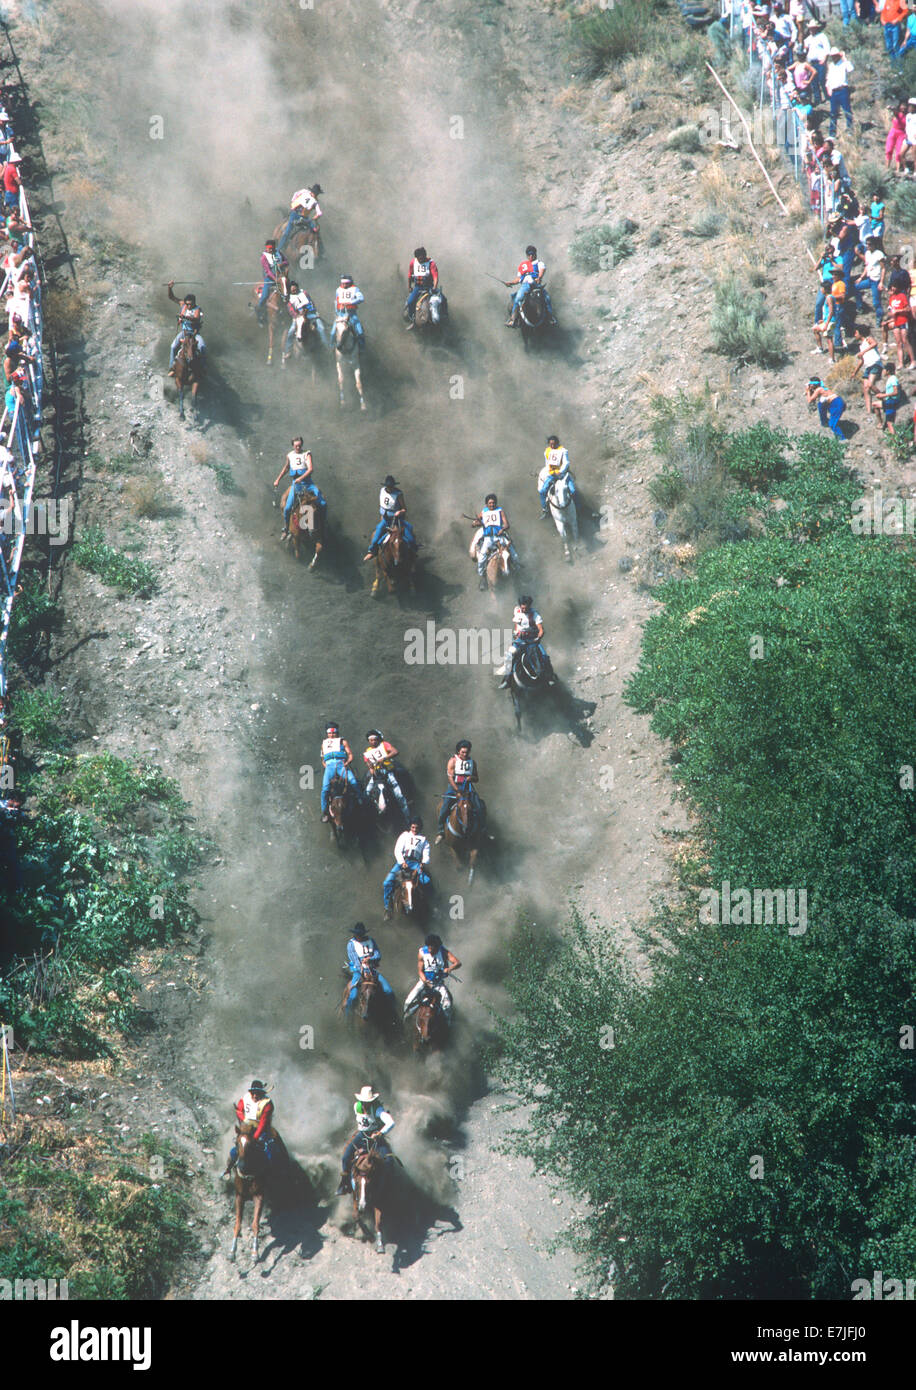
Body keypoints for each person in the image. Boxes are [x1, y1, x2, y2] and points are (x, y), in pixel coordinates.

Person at [335, 1086, 395, 1196]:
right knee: (345, 1157)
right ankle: (345, 1184)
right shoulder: (356, 1107)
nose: (365, 1104)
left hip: (375, 1137)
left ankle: (388, 1188)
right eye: (363, 1102)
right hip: (361, 1135)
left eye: (368, 1102)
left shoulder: (377, 1109)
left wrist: (380, 1133)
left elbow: (391, 1122)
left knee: (389, 1161)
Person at [499, 595, 557, 688]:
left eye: (525, 608)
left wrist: (538, 637)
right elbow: (517, 625)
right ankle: (507, 680)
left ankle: (549, 677)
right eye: (522, 607)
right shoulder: (517, 611)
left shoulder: (535, 615)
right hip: (520, 641)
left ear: (529, 606)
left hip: (532, 641)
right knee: (509, 656)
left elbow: (541, 629)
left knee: (544, 656)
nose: (523, 610)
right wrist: (517, 633)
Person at [273, 437, 326, 539]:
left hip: (308, 483)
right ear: (293, 445)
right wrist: (278, 479)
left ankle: (322, 527)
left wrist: (301, 478)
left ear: (302, 445)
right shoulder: (290, 455)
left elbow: (310, 469)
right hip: (296, 485)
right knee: (287, 508)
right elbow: (286, 468)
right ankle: (286, 529)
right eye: (296, 445)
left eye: (300, 445)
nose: (298, 447)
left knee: (323, 504)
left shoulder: (306, 454)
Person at [436, 739, 487, 841]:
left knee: (479, 805)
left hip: (468, 787)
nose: (465, 754)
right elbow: (450, 778)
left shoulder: (472, 763)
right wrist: (457, 790)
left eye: (467, 752)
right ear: (458, 751)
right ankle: (441, 831)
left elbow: (476, 778)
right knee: (445, 806)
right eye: (463, 752)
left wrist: (471, 778)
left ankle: (483, 830)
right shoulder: (453, 761)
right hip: (454, 787)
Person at [222, 1079, 276, 1176]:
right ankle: (228, 1170)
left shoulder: (267, 1104)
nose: (255, 1095)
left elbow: (263, 1123)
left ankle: (273, 1174)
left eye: (258, 1093)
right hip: (246, 1129)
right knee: (236, 1150)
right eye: (253, 1093)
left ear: (261, 1093)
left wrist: (255, 1138)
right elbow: (239, 1110)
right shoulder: (245, 1099)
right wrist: (244, 1119)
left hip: (261, 1130)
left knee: (269, 1151)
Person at [403, 933, 461, 1022]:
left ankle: (448, 1023)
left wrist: (449, 969)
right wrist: (425, 981)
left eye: (432, 948)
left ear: (437, 947)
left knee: (447, 1004)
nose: (429, 950)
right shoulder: (422, 952)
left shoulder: (443, 952)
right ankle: (404, 1019)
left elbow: (457, 963)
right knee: (408, 1000)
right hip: (424, 982)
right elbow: (420, 971)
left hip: (438, 983)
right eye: (428, 947)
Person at [383, 816, 431, 919]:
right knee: (387, 882)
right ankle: (388, 908)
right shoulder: (404, 835)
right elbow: (397, 850)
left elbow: (426, 854)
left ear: (420, 828)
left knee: (427, 881)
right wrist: (402, 862)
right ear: (410, 827)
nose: (414, 830)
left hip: (416, 864)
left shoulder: (424, 840)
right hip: (403, 862)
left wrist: (423, 863)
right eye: (413, 827)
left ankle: (431, 906)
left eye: (417, 828)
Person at [342, 922, 395, 1014]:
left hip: (373, 970)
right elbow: (354, 960)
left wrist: (370, 959)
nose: (360, 936)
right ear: (355, 934)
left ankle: (391, 1013)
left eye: (361, 934)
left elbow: (378, 955)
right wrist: (362, 971)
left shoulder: (371, 941)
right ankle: (348, 1014)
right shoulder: (351, 944)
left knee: (388, 991)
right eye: (358, 934)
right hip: (358, 972)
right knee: (353, 995)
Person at [471, 493, 519, 589]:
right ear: (486, 504)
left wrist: (503, 529)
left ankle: (518, 574)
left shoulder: (500, 510)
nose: (492, 505)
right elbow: (476, 521)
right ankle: (483, 578)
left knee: (514, 555)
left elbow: (507, 524)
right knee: (481, 559)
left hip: (500, 537)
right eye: (490, 503)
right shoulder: (483, 511)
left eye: (493, 503)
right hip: (488, 539)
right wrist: (475, 523)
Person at [363, 475, 416, 559]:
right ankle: (372, 551)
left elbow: (404, 509)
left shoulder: (398, 494)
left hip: (397, 520)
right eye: (388, 486)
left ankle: (413, 553)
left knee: (410, 537)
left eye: (391, 486)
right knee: (377, 534)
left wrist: (400, 512)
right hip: (385, 519)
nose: (390, 488)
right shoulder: (382, 491)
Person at [362, 729, 410, 822]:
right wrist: (371, 770)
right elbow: (368, 764)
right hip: (376, 774)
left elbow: (395, 751)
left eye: (375, 739)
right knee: (367, 792)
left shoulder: (384, 745)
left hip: (388, 772)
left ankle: (407, 817)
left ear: (378, 739)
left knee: (399, 795)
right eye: (371, 740)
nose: (373, 742)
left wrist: (384, 758)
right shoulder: (367, 751)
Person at [505, 244, 557, 328]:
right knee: (518, 297)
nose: (531, 256)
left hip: (535, 284)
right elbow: (518, 279)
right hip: (525, 285)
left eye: (533, 254)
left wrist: (539, 277)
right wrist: (510, 283)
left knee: (547, 298)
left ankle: (550, 317)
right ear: (527, 255)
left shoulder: (539, 263)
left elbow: (542, 271)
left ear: (536, 254)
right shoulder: (523, 265)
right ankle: (513, 319)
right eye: (529, 254)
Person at [320, 721, 362, 822]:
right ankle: (325, 812)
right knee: (325, 789)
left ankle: (361, 799)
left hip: (341, 765)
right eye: (330, 733)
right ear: (327, 733)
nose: (332, 735)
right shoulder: (323, 744)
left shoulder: (343, 742)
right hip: (329, 767)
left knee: (353, 781)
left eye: (333, 733)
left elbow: (350, 755)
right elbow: (323, 760)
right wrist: (326, 766)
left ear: (337, 733)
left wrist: (347, 762)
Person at [282, 280, 328, 358]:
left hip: (312, 315)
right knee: (290, 332)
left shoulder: (304, 293)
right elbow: (291, 310)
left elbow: (311, 302)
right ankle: (288, 351)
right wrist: (297, 315)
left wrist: (313, 311)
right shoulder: (289, 299)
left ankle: (326, 347)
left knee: (321, 328)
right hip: (299, 318)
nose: (294, 290)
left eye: (295, 289)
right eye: (292, 290)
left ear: (297, 287)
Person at [166, 282, 205, 371]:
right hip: (184, 332)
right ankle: (171, 367)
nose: (188, 306)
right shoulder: (183, 305)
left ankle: (202, 369)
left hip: (194, 334)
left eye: (190, 304)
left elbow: (196, 318)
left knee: (202, 347)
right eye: (187, 304)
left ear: (194, 303)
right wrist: (169, 288)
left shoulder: (197, 309)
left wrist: (185, 317)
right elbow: (171, 297)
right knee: (173, 347)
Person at [276, 182, 323, 254]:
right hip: (295, 214)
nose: (315, 194)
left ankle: (321, 252)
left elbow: (319, 213)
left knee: (316, 231)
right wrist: (293, 202)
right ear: (312, 191)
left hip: (304, 218)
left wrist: (314, 218)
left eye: (317, 194)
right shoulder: (304, 192)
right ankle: (278, 250)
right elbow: (296, 194)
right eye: (315, 193)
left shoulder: (315, 201)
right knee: (287, 232)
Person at [538, 435, 577, 518]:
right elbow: (547, 463)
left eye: (554, 444)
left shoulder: (563, 451)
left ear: (557, 443)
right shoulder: (547, 451)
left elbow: (566, 463)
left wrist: (560, 471)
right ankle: (545, 509)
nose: (552, 446)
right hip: (552, 475)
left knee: (573, 490)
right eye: (550, 444)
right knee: (542, 491)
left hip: (563, 475)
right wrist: (551, 472)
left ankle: (580, 508)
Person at [404, 246, 440, 328]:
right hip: (418, 287)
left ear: (425, 256)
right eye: (419, 258)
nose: (420, 260)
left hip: (429, 287)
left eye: (422, 258)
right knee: (410, 302)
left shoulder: (431, 263)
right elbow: (410, 275)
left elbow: (435, 276)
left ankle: (444, 316)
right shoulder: (413, 262)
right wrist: (409, 286)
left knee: (440, 300)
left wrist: (434, 286)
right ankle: (412, 319)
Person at [883, 282, 916, 370]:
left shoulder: (902, 296)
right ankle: (901, 363)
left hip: (903, 320)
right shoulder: (892, 298)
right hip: (896, 322)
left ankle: (913, 361)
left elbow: (908, 308)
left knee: (905, 340)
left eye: (894, 287)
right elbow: (890, 310)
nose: (893, 289)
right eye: (892, 287)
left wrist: (898, 311)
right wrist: (890, 314)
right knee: (898, 343)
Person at [851, 328, 884, 415]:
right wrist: (855, 372)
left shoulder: (868, 339)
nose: (855, 334)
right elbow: (861, 361)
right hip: (868, 366)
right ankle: (869, 411)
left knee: (869, 385)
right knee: (866, 388)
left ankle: (884, 398)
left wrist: (863, 352)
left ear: (861, 333)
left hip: (875, 363)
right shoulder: (861, 346)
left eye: (856, 332)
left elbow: (874, 343)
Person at [257, 240, 289, 326]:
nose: (270, 250)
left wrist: (281, 264)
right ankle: (260, 315)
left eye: (272, 248)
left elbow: (287, 262)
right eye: (268, 248)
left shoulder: (279, 253)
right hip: (270, 279)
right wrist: (275, 279)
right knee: (264, 297)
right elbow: (267, 271)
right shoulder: (264, 257)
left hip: (281, 277)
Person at [854, 236, 885, 319]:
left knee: (876, 302)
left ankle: (879, 317)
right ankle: (860, 306)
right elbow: (867, 266)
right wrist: (861, 277)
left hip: (876, 280)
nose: (868, 246)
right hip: (869, 279)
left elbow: (883, 268)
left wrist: (881, 282)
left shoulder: (879, 254)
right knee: (856, 287)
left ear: (874, 245)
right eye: (866, 244)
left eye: (869, 244)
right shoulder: (867, 253)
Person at [825, 49, 854, 139]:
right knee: (833, 113)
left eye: (835, 55)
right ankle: (832, 134)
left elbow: (851, 69)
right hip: (834, 91)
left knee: (847, 111)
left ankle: (850, 130)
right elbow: (829, 78)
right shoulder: (831, 65)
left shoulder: (844, 63)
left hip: (843, 90)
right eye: (832, 56)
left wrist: (844, 58)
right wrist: (828, 88)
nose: (833, 57)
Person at [334, 273, 366, 350]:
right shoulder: (338, 290)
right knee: (332, 333)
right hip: (340, 314)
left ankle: (362, 348)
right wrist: (336, 312)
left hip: (351, 314)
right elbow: (336, 302)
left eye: (346, 283)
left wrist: (351, 302)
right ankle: (332, 348)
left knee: (360, 332)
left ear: (350, 283)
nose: (344, 285)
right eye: (343, 283)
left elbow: (361, 298)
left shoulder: (355, 289)